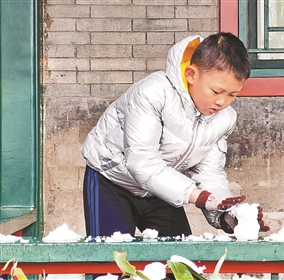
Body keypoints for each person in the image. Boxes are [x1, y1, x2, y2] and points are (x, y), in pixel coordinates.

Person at [81, 32, 269, 239]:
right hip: (112, 181)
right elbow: (142, 162)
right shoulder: (153, 92)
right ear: (191, 74)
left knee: (181, 264)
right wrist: (200, 197)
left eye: (232, 95)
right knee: (109, 264)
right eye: (216, 91)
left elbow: (210, 173)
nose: (222, 102)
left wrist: (226, 213)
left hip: (161, 188)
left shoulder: (224, 118)